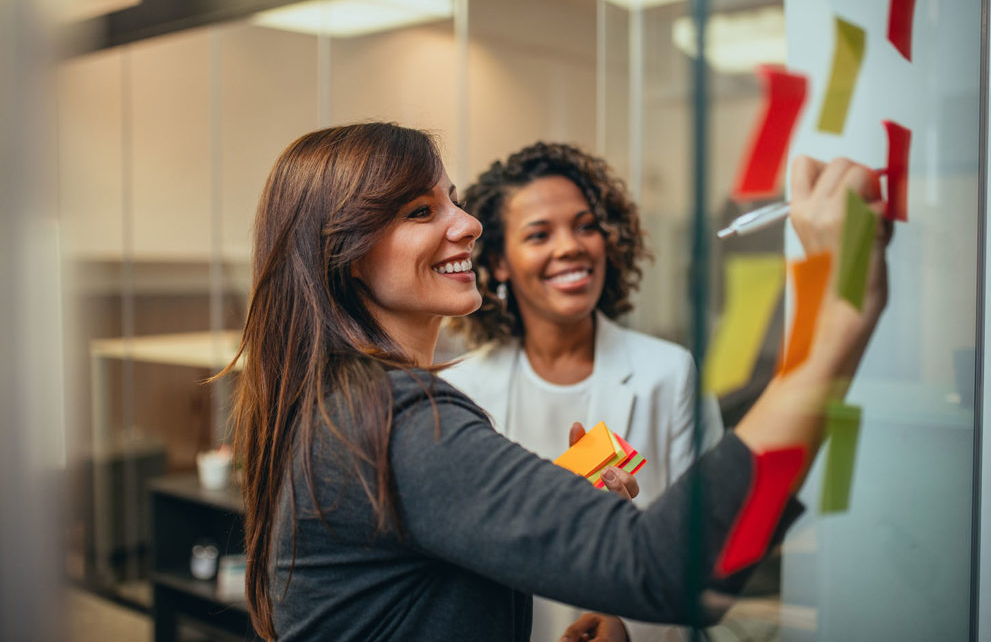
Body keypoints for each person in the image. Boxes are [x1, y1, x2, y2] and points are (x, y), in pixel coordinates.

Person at [226, 122, 891, 642]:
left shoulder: (344, 405)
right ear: (343, 254)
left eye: (452, 200)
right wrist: (834, 325)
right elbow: (668, 570)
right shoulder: (400, 421)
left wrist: (552, 514)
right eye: (420, 211)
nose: (468, 225)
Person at [442, 142, 724, 641]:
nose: (571, 246)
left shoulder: (669, 374)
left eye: (586, 225)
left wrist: (625, 627)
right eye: (539, 234)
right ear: (499, 262)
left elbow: (708, 553)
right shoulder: (460, 390)